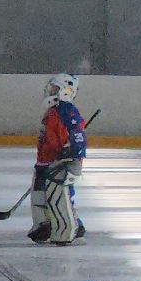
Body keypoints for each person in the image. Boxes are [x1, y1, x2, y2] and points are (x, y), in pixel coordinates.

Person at [28, 74, 89, 245]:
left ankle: (73, 226)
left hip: (59, 163)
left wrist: (72, 152)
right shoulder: (52, 111)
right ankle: (44, 225)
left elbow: (77, 133)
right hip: (45, 161)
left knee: (60, 196)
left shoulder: (67, 111)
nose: (51, 92)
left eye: (55, 89)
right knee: (40, 196)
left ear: (66, 91)